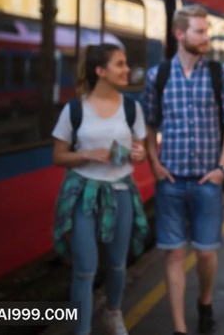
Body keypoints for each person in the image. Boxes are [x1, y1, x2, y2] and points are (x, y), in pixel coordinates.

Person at [142, 4, 224, 335]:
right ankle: (180, 327)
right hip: (170, 180)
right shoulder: (159, 76)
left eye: (206, 31)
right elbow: (149, 124)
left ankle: (205, 301)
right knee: (173, 256)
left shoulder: (219, 75)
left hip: (207, 181)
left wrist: (222, 167)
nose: (206, 38)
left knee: (206, 255)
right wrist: (154, 163)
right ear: (180, 34)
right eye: (199, 31)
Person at [51, 43, 147, 335]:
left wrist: (139, 154)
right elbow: (58, 156)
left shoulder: (132, 108)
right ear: (100, 71)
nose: (127, 69)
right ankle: (82, 330)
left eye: (125, 63)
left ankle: (112, 313)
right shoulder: (75, 109)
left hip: (120, 191)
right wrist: (86, 155)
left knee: (117, 264)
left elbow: (139, 147)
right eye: (120, 64)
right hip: (84, 194)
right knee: (84, 268)